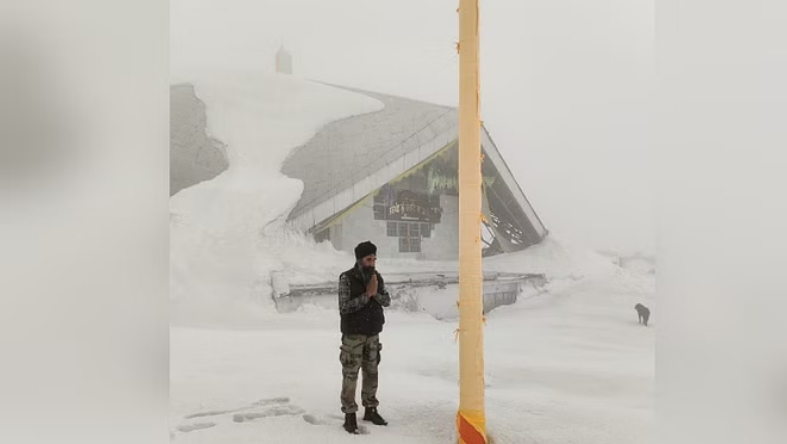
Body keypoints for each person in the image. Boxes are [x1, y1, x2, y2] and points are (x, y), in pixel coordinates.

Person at [338, 241, 392, 434]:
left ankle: (371, 409)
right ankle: (349, 414)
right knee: (350, 374)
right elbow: (344, 307)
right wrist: (367, 295)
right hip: (353, 335)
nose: (372, 263)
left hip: (373, 333)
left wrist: (375, 294)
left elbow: (387, 300)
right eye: (369, 259)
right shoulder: (347, 278)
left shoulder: (377, 277)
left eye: (374, 259)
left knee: (371, 372)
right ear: (360, 259)